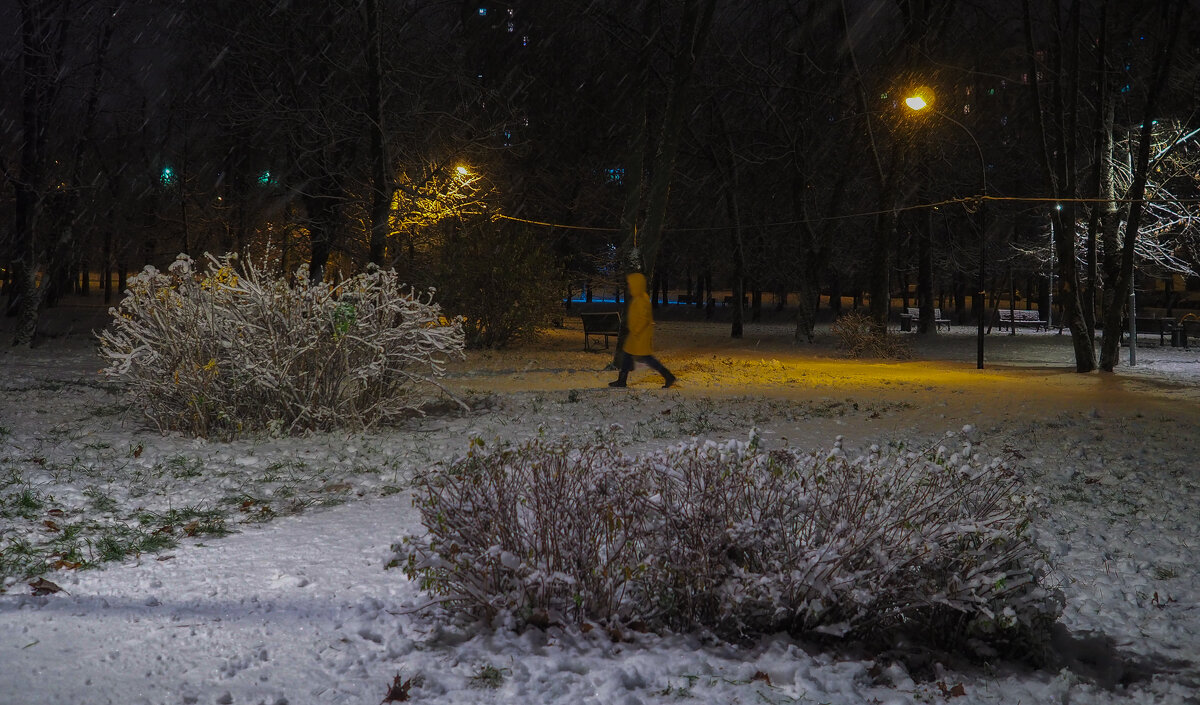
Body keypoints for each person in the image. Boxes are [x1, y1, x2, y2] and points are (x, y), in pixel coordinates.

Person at [609, 270, 676, 389]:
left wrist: (636, 331)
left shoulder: (641, 299)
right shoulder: (639, 297)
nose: (629, 286)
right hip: (637, 334)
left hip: (639, 335)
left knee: (647, 358)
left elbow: (644, 319)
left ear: (636, 285)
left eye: (631, 284)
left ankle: (668, 376)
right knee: (628, 355)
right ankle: (622, 380)